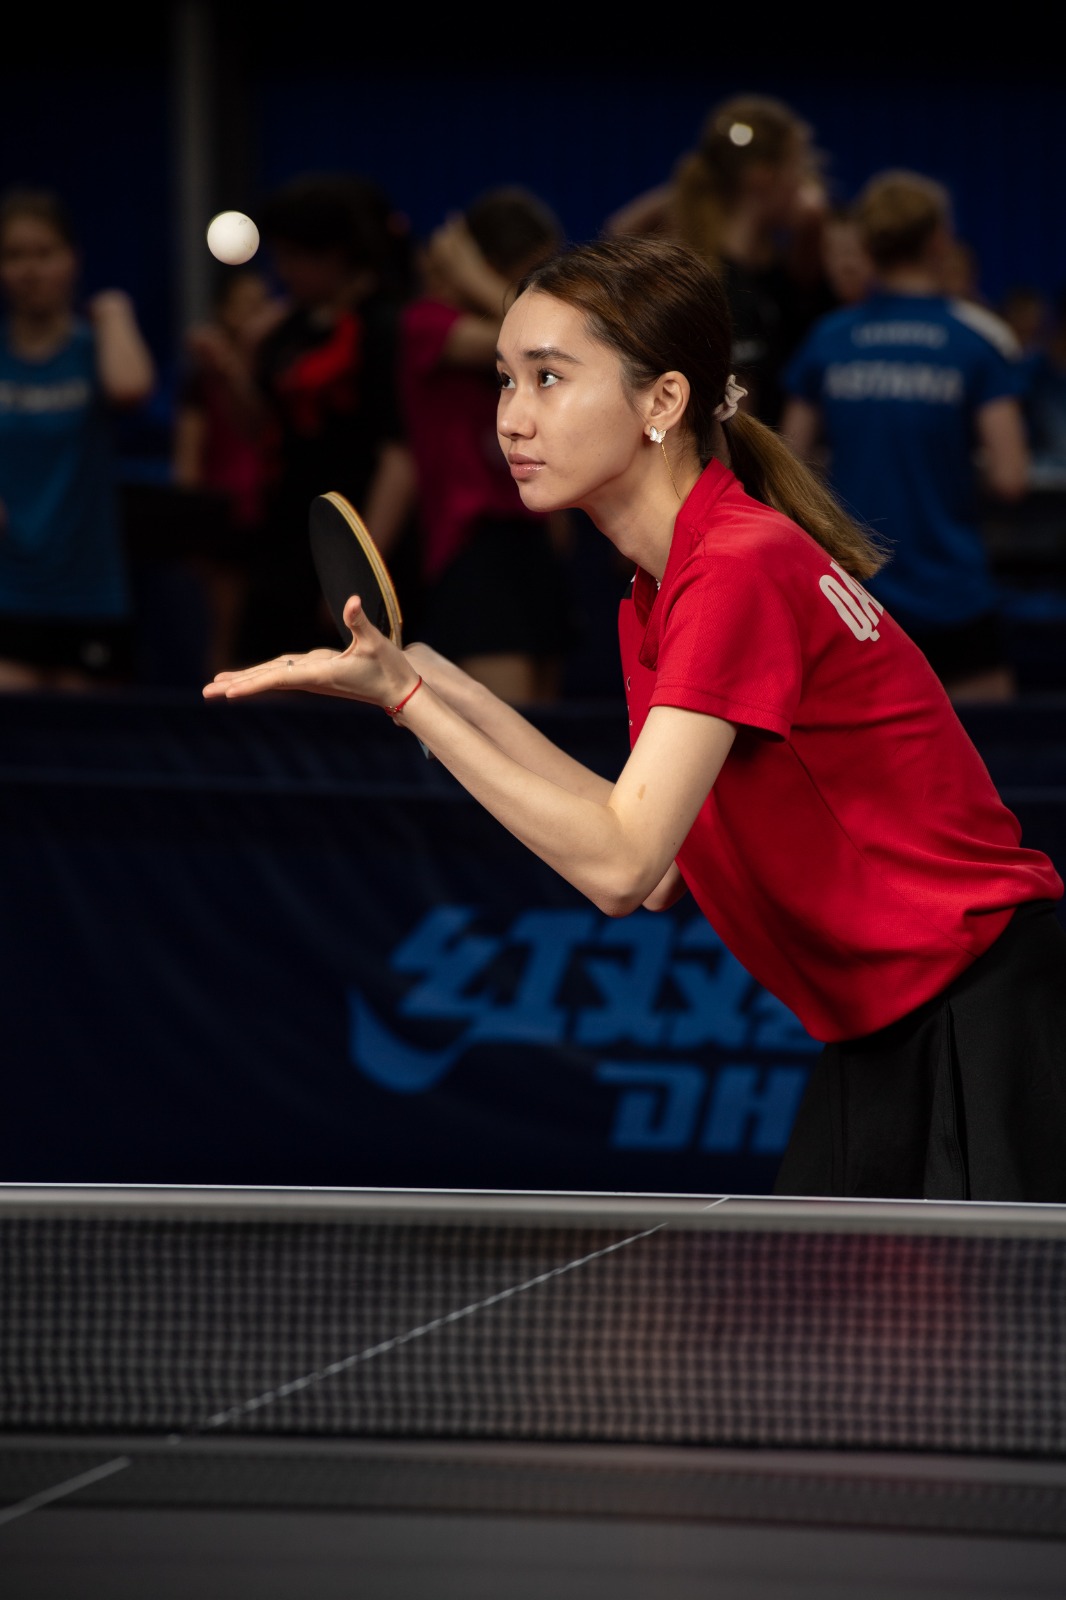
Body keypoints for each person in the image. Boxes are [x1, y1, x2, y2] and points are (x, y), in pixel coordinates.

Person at [204, 235, 1066, 1205]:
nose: (512, 417)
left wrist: (405, 706)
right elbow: (657, 867)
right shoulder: (661, 590)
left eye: (549, 377)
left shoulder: (734, 570)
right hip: (886, 1026)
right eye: (504, 379)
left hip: (980, 1018)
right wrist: (432, 682)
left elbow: (618, 869)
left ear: (662, 402)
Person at [780, 169, 1031, 702]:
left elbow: (787, 466)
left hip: (853, 595)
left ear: (869, 243)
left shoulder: (828, 340)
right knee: (984, 748)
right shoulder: (975, 342)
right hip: (954, 594)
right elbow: (1011, 477)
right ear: (939, 240)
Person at [233, 172, 418, 664]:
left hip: (355, 543)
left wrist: (360, 575)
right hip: (285, 542)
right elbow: (262, 429)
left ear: (336, 255)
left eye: (294, 256)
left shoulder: (386, 325)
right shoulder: (286, 328)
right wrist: (238, 363)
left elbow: (399, 459)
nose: (283, 270)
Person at [399, 186, 574, 703]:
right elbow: (548, 343)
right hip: (473, 545)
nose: (541, 291)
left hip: (532, 534)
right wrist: (472, 275)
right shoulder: (427, 323)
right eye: (530, 275)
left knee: (547, 725)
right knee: (507, 726)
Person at [0, 186, 156, 689]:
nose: (30, 270)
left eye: (44, 253)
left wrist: (115, 311)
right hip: (9, 587)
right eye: (14, 256)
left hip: (89, 590)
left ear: (72, 260)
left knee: (88, 730)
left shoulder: (95, 346)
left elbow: (131, 387)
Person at [605, 92, 837, 427]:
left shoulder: (779, 272)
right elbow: (736, 425)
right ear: (761, 175)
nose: (807, 183)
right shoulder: (718, 285)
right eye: (798, 167)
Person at [171, 265, 284, 673]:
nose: (256, 314)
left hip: (273, 514)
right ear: (222, 311)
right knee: (227, 630)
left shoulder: (276, 369)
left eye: (261, 304)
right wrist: (190, 525)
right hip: (225, 517)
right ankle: (220, 706)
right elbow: (187, 458)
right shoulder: (203, 380)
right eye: (244, 306)